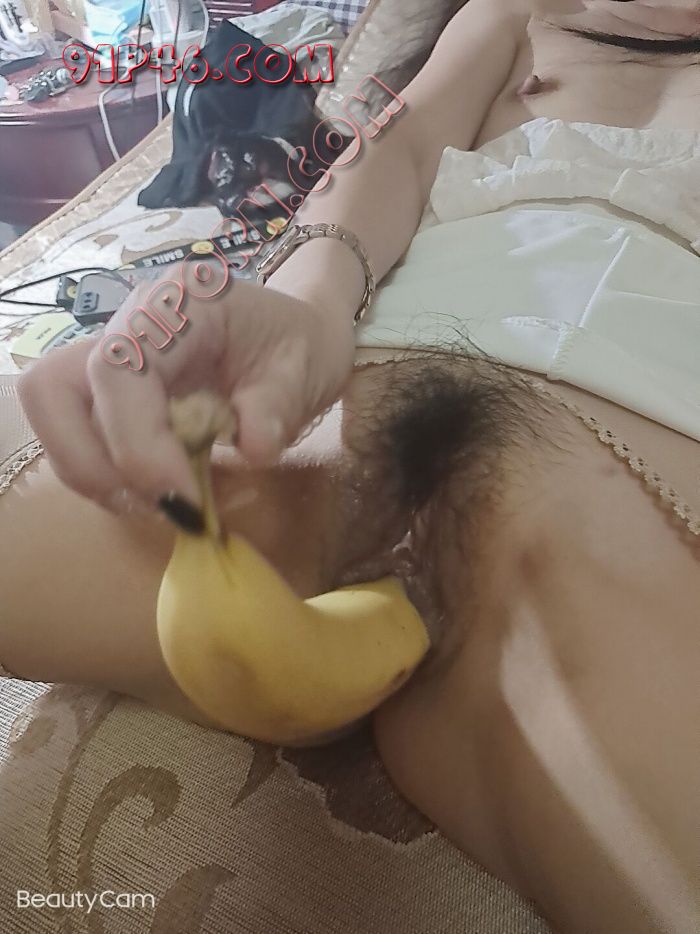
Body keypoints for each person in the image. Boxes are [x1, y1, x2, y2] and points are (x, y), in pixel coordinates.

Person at [2, 0, 699, 930]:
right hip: (350, 405)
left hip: (616, 458)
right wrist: (304, 305)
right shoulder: (521, 10)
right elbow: (397, 148)